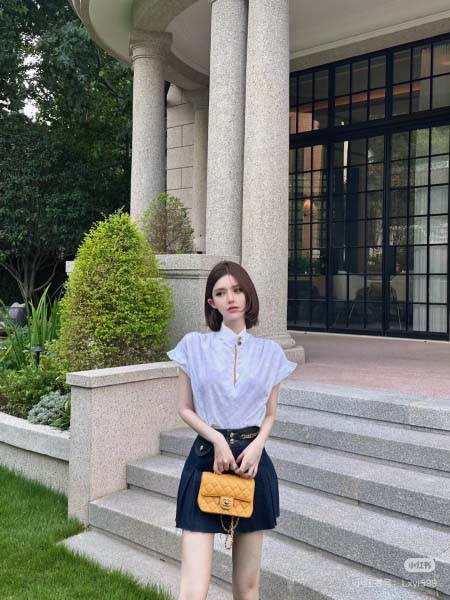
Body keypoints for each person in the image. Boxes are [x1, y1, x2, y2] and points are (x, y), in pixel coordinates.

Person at [166, 260, 297, 600]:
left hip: (252, 464)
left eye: (237, 290)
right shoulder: (193, 346)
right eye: (221, 293)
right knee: (193, 590)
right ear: (212, 302)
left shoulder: (270, 353)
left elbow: (270, 414)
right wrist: (217, 439)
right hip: (205, 460)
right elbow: (184, 408)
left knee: (247, 587)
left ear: (248, 295)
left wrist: (257, 446)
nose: (231, 298)